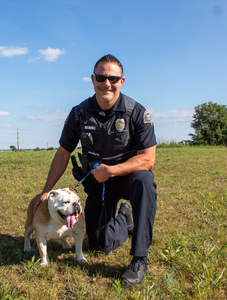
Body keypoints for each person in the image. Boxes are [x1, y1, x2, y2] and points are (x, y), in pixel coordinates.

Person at [34, 54, 157, 286]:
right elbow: (63, 153)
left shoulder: (137, 113)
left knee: (145, 181)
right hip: (98, 184)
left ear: (122, 81)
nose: (106, 83)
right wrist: (46, 191)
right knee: (100, 244)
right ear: (92, 79)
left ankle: (139, 259)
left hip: (128, 177)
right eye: (101, 77)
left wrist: (111, 170)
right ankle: (124, 218)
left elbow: (148, 159)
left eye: (113, 78)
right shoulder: (79, 114)